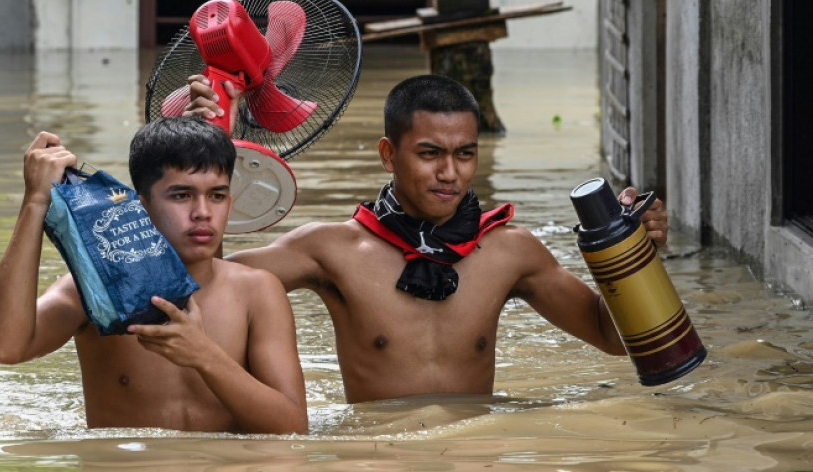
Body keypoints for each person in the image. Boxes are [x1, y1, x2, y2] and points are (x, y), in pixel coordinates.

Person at [185, 73, 669, 404]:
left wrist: (635, 252)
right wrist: (207, 150)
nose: (449, 173)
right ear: (388, 155)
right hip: (382, 465)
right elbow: (208, 289)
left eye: (465, 154)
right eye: (430, 153)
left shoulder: (510, 250)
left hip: (472, 464)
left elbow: (613, 339)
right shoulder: (330, 250)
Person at [0, 116, 308, 433]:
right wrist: (35, 201)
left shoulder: (257, 291)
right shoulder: (96, 290)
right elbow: (6, 348)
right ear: (140, 206)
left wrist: (205, 356)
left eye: (217, 196)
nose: (203, 212)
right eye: (181, 195)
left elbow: (292, 427)